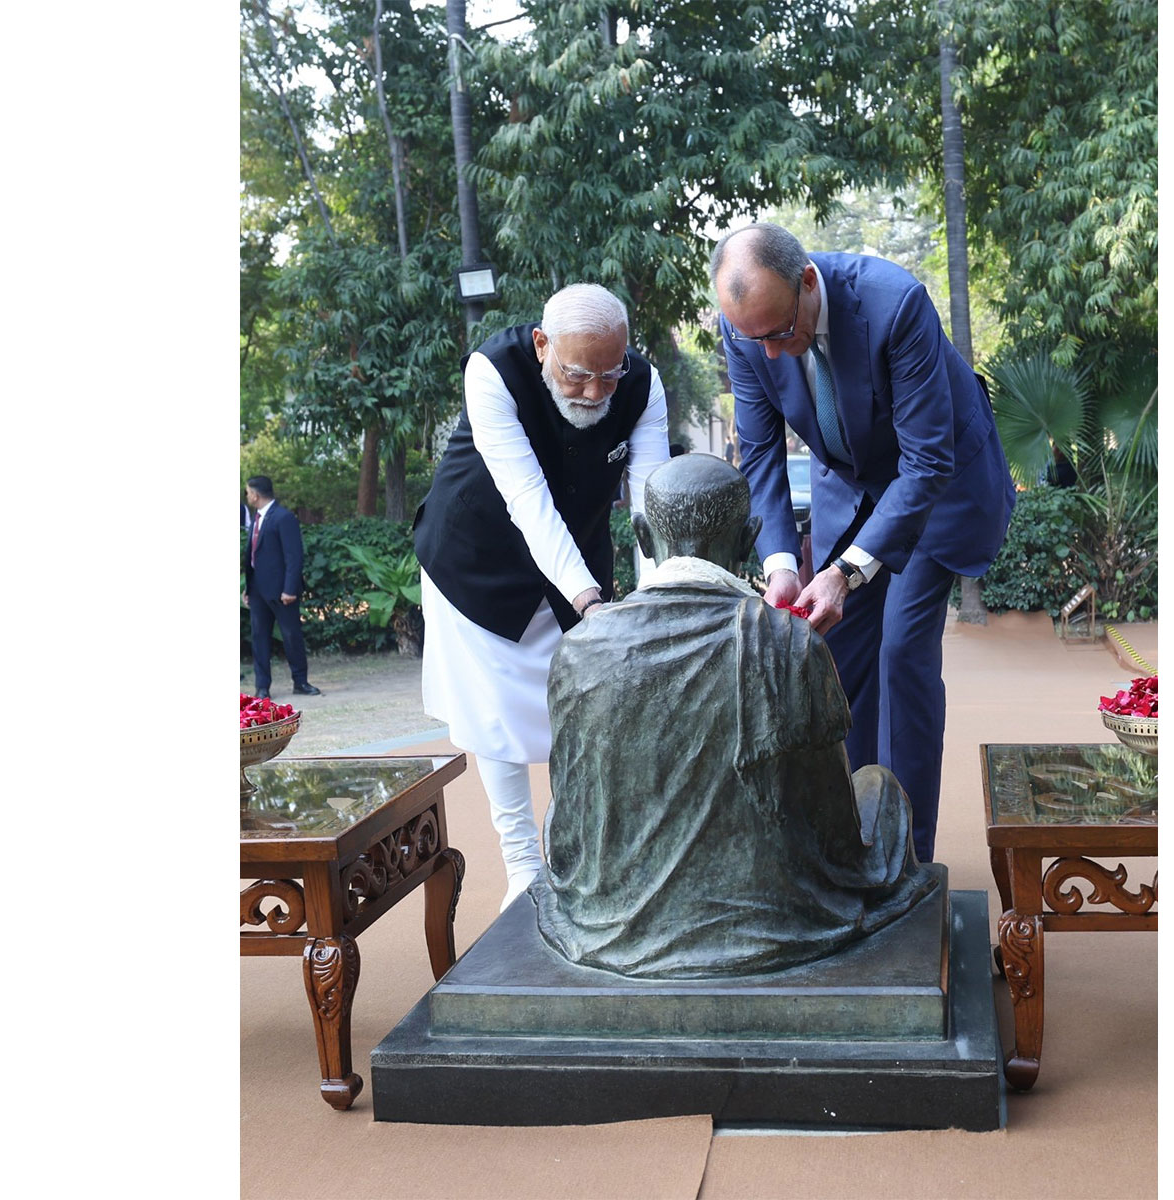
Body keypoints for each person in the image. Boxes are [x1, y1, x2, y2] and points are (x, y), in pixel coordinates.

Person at [532, 453, 935, 979]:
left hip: (610, 924)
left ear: (643, 537)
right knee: (880, 788)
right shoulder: (787, 644)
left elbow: (567, 837)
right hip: (774, 923)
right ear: (749, 540)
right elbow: (832, 831)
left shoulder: (579, 649)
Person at [709, 223, 1016, 863]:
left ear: (809, 284)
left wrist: (845, 572)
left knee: (901, 652)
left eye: (778, 334)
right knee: (836, 657)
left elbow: (926, 462)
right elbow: (761, 450)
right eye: (750, 338)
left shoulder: (895, 304)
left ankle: (907, 858)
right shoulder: (749, 330)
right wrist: (782, 564)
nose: (768, 353)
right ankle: (854, 842)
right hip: (849, 488)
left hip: (938, 485)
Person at [412, 283, 669, 909]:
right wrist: (591, 604)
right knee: (495, 714)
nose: (593, 392)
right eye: (577, 374)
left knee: (584, 710)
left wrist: (658, 601)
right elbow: (527, 500)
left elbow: (654, 504)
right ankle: (523, 869)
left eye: (610, 375)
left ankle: (573, 854)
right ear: (541, 344)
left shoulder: (643, 385)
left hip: (575, 553)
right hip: (475, 558)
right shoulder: (492, 371)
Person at [243, 476, 323, 700]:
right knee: (259, 638)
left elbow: (294, 556)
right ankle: (262, 687)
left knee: (291, 636)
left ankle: (300, 681)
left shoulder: (284, 517)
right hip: (258, 590)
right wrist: (248, 587)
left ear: (256, 494)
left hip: (282, 592)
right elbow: (252, 556)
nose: (247, 496)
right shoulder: (256, 519)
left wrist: (290, 588)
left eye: (248, 492)